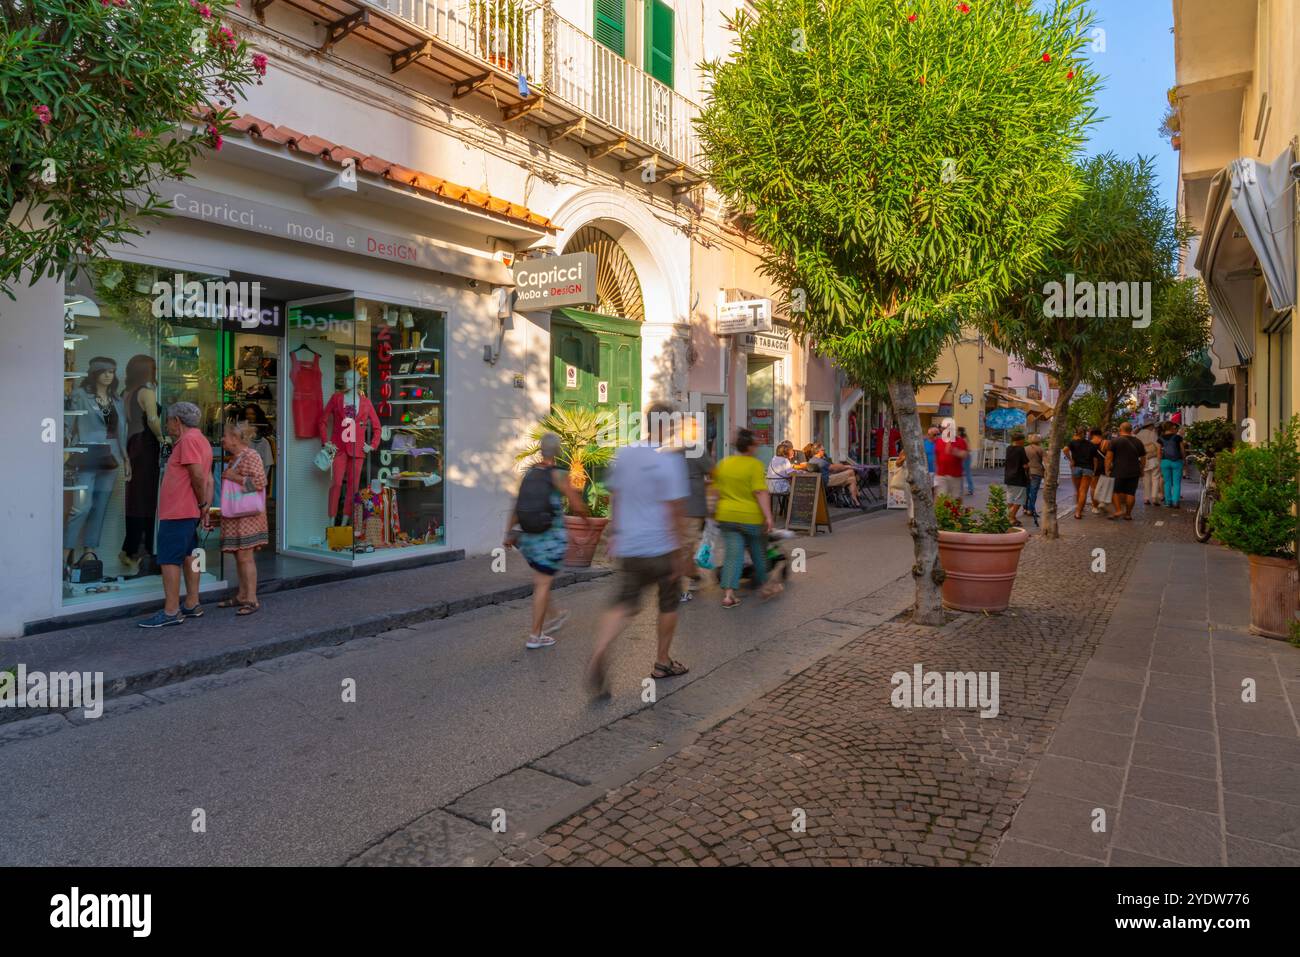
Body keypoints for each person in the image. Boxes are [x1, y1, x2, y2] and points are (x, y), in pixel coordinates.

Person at [586, 403, 691, 695]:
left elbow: (615, 498)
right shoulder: (671, 460)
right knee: (668, 603)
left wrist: (615, 535)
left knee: (623, 604)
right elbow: (676, 509)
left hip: (631, 545)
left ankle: (600, 651)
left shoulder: (626, 453)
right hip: (662, 547)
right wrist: (680, 553)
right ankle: (662, 661)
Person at [504, 432, 590, 649]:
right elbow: (577, 504)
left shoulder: (530, 473)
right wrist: (586, 521)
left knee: (542, 580)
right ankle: (535, 636)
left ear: (541, 450)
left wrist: (508, 532)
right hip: (548, 538)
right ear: (558, 451)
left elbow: (517, 504)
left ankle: (555, 615)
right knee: (543, 583)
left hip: (528, 539)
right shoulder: (558, 475)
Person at [138, 402, 212, 628]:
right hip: (189, 509)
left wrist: (202, 504)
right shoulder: (201, 439)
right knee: (192, 555)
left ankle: (171, 611)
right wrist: (205, 507)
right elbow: (207, 478)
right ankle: (192, 603)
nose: (166, 425)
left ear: (177, 421)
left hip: (179, 510)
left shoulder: (188, 440)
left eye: (168, 420)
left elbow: (198, 476)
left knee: (170, 558)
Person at [716, 429, 780, 609]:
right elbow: (760, 492)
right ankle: (766, 586)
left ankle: (729, 596)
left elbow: (716, 491)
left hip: (727, 516)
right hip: (750, 518)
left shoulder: (723, 463)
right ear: (750, 447)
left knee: (732, 555)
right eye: (756, 445)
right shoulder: (755, 465)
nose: (757, 449)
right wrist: (768, 517)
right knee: (759, 552)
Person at [216, 420, 269, 614]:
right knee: (240, 556)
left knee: (245, 557)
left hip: (248, 516)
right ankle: (242, 594)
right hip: (238, 515)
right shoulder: (236, 457)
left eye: (226, 436)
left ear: (236, 439)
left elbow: (260, 483)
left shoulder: (250, 455)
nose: (223, 439)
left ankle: (252, 599)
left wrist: (234, 477)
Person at [120, 354, 162, 577]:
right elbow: (153, 420)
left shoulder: (126, 393)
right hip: (146, 445)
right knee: (146, 499)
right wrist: (163, 438)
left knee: (135, 498)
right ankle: (139, 550)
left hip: (132, 445)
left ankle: (134, 547)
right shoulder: (146, 392)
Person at [673, 415, 714, 602]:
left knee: (682, 547)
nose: (697, 430)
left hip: (673, 507)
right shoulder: (695, 450)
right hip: (691, 507)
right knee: (685, 548)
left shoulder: (667, 451)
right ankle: (681, 588)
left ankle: (693, 575)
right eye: (694, 426)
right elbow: (714, 473)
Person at [1105, 421, 1147, 521]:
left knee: (1115, 491)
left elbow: (1109, 457)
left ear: (1120, 430)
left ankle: (1118, 510)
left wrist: (1107, 469)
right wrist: (1141, 469)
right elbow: (1143, 458)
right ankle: (1128, 514)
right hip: (1134, 470)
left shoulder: (1115, 441)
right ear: (1131, 430)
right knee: (1131, 493)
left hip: (1118, 470)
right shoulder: (1138, 442)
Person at [802, 442, 861, 506]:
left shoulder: (812, 460)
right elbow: (834, 468)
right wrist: (848, 466)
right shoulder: (820, 461)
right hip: (827, 481)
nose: (824, 451)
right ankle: (856, 496)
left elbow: (832, 468)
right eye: (823, 450)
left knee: (852, 479)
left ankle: (854, 500)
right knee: (851, 471)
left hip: (822, 481)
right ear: (818, 451)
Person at [1065, 426, 1096, 521]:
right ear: (1085, 433)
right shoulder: (1091, 444)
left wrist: (1071, 460)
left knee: (1078, 490)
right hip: (1088, 469)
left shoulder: (1072, 443)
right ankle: (1078, 512)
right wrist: (1094, 470)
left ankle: (1079, 508)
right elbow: (1095, 459)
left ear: (1076, 433)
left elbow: (1065, 450)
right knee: (1083, 491)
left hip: (1076, 468)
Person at [933, 419, 966, 499]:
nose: (945, 430)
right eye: (943, 428)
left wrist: (954, 451)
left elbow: (964, 455)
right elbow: (936, 457)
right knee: (941, 498)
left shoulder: (960, 441)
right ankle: (941, 512)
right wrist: (936, 473)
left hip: (955, 476)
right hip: (941, 476)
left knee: (955, 499)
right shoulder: (939, 441)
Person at [1003, 430, 1030, 527]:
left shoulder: (1008, 448)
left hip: (1008, 476)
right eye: (1023, 439)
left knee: (1010, 498)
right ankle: (1010, 517)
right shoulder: (1020, 449)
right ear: (1019, 440)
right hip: (1019, 477)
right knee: (1019, 499)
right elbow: (1025, 465)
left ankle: (1013, 518)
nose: (1024, 441)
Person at [1159, 422, 1187, 508]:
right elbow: (1182, 450)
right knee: (1176, 483)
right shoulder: (1178, 437)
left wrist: (1160, 462)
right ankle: (1175, 502)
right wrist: (1184, 459)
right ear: (1171, 427)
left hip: (1165, 461)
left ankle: (1168, 502)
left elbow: (1159, 452)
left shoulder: (1160, 438)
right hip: (1176, 461)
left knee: (1167, 482)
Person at [1136, 421, 1164, 505]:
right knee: (1155, 478)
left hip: (1143, 458)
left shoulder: (1138, 435)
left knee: (1146, 480)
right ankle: (1154, 497)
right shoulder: (1153, 434)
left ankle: (1146, 498)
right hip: (1153, 458)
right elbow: (1158, 446)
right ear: (1150, 426)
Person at [1024, 433, 1045, 522]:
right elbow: (1045, 462)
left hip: (1026, 472)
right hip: (1037, 472)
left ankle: (1025, 508)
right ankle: (1030, 509)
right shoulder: (1040, 449)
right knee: (1033, 492)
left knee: (1027, 491)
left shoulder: (1025, 449)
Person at [1089, 428, 1111, 514]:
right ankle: (1102, 501)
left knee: (1093, 487)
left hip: (1093, 466)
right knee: (1104, 484)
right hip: (1103, 465)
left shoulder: (1089, 443)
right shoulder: (1106, 442)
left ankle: (1094, 507)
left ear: (1091, 434)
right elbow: (1109, 457)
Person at [958, 426, 976, 496]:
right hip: (963, 457)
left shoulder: (964, 439)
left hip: (965, 457)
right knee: (960, 473)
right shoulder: (963, 438)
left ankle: (970, 490)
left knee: (967, 474)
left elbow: (968, 449)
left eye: (958, 431)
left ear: (960, 432)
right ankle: (963, 489)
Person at [923, 426, 939, 492]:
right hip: (928, 471)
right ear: (929, 435)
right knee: (930, 490)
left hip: (938, 472)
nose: (937, 436)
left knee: (937, 491)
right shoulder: (924, 444)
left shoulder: (940, 443)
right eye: (935, 434)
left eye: (938, 434)